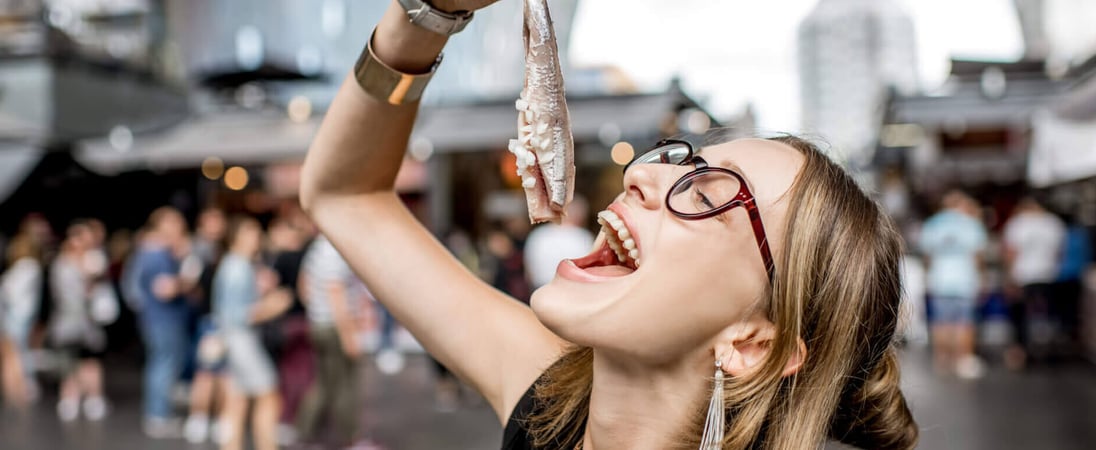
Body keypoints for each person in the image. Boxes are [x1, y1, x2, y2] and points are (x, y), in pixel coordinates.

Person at [296, 2, 918, 448]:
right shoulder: (553, 409)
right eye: (683, 161)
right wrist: (427, 14)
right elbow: (344, 196)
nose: (642, 177)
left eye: (707, 195)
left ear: (751, 344)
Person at [213, 217, 290, 450]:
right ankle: (266, 444)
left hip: (236, 339)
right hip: (241, 340)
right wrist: (272, 306)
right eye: (252, 233)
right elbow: (236, 315)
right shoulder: (238, 267)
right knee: (267, 393)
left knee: (238, 398)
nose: (257, 238)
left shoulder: (236, 264)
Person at [295, 234, 369, 447]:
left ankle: (304, 432)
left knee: (325, 383)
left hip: (321, 322)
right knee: (345, 385)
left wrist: (314, 310)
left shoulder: (317, 246)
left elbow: (304, 284)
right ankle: (352, 438)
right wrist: (348, 334)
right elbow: (335, 292)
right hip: (334, 325)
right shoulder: (332, 249)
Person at [133, 207, 196, 437]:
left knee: (162, 364)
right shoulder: (156, 254)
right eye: (175, 223)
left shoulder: (154, 252)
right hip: (163, 320)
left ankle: (159, 413)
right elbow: (164, 289)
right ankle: (158, 415)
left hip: (158, 319)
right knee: (163, 365)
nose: (181, 228)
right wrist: (186, 281)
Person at [919, 191, 988, 379]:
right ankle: (962, 359)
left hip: (940, 280)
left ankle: (942, 359)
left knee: (941, 322)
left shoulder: (933, 224)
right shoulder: (971, 224)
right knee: (964, 323)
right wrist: (982, 277)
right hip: (965, 280)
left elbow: (927, 256)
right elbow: (978, 256)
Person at [49, 222, 109, 421]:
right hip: (69, 323)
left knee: (90, 362)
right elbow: (67, 294)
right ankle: (70, 398)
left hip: (89, 324)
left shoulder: (94, 260)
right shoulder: (62, 264)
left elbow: (99, 290)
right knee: (68, 363)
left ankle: (94, 397)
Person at [1002, 197, 1067, 367]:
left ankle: (1020, 353)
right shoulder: (1054, 223)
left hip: (1023, 275)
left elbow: (1011, 252)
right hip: (1048, 275)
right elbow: (1059, 252)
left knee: (1020, 316)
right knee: (1047, 315)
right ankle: (1049, 350)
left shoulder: (1018, 223)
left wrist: (1010, 276)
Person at [1, 234, 43, 407]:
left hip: (16, 315)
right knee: (15, 352)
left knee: (14, 353)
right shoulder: (29, 266)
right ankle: (18, 388)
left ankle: (19, 389)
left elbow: (10, 291)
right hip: (18, 315)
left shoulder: (27, 266)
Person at [524, 196, 595, 289]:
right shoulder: (583, 237)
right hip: (574, 290)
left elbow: (529, 271)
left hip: (541, 289)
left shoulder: (538, 235)